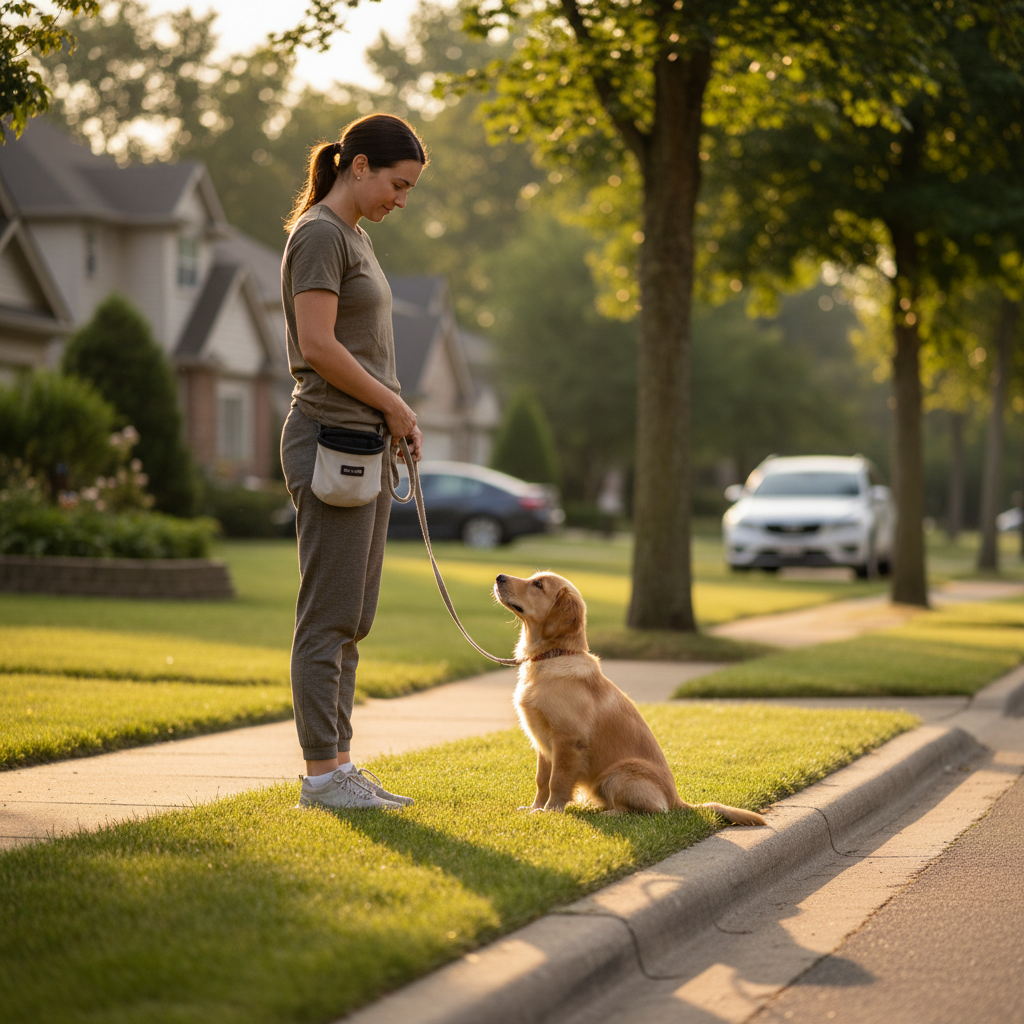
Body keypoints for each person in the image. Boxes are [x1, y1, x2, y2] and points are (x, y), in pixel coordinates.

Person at [280, 113, 426, 811]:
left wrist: (396, 417)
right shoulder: (319, 234)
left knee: (353, 617)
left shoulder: (355, 237)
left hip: (362, 443)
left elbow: (360, 348)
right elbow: (318, 345)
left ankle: (339, 766)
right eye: (398, 184)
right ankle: (321, 778)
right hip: (328, 440)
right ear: (359, 165)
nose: (402, 199)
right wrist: (393, 406)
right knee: (328, 617)